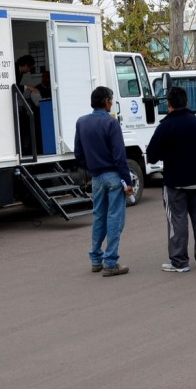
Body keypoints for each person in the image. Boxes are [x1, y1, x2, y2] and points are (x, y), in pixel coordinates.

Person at [146, 87, 196, 272]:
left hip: (175, 182)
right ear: (187, 103)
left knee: (177, 221)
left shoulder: (165, 126)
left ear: (169, 105)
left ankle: (180, 261)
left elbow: (152, 156)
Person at [73, 86, 134, 276]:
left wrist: (92, 167)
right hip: (113, 175)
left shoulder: (81, 122)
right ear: (107, 101)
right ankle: (111, 261)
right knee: (115, 218)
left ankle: (96, 259)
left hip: (96, 176)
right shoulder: (111, 123)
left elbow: (78, 154)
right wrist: (127, 180)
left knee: (99, 216)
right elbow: (119, 156)